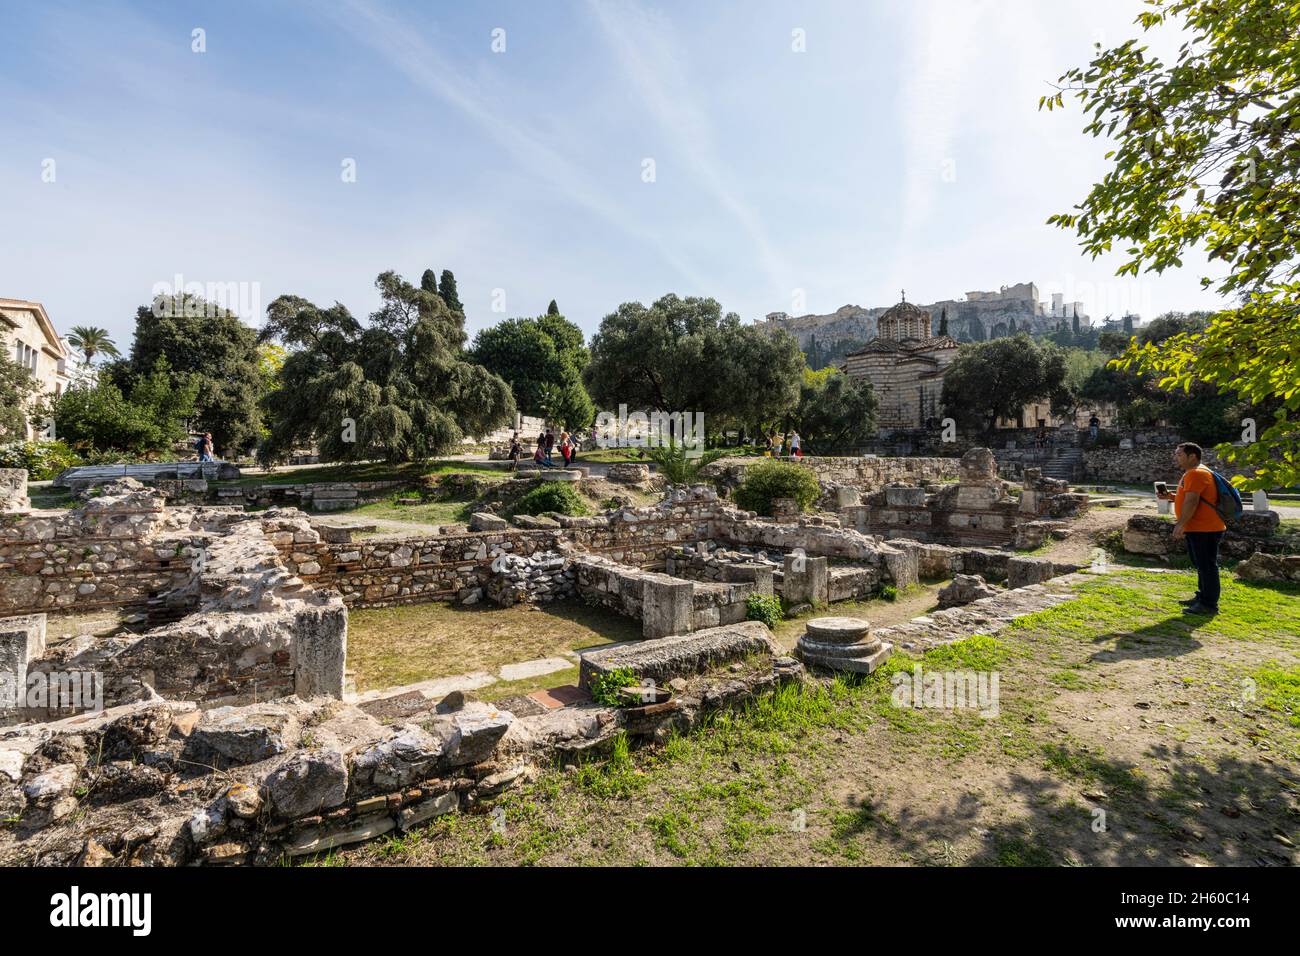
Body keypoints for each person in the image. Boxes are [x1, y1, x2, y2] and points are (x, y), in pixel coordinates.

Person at [1156, 442, 1226, 615]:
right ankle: (1202, 597)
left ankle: (1209, 605)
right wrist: (1171, 496)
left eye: (1179, 454)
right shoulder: (1193, 473)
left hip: (1205, 527)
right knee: (1201, 564)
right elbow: (1188, 497)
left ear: (1192, 456)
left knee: (1207, 566)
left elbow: (1192, 501)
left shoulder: (1196, 473)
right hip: (1200, 527)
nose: (1176, 457)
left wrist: (1181, 524)